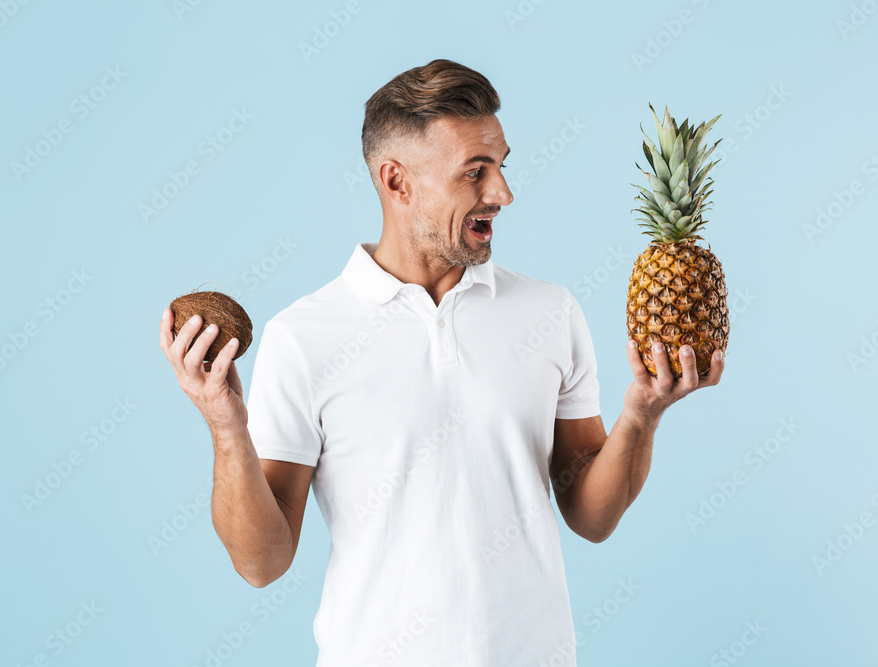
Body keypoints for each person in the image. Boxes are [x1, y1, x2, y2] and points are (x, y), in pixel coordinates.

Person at [158, 58, 723, 666]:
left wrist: (641, 415)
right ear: (397, 180)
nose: (502, 193)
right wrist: (224, 424)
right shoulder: (305, 336)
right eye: (474, 173)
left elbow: (590, 515)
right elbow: (261, 563)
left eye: (502, 166)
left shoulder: (551, 313)